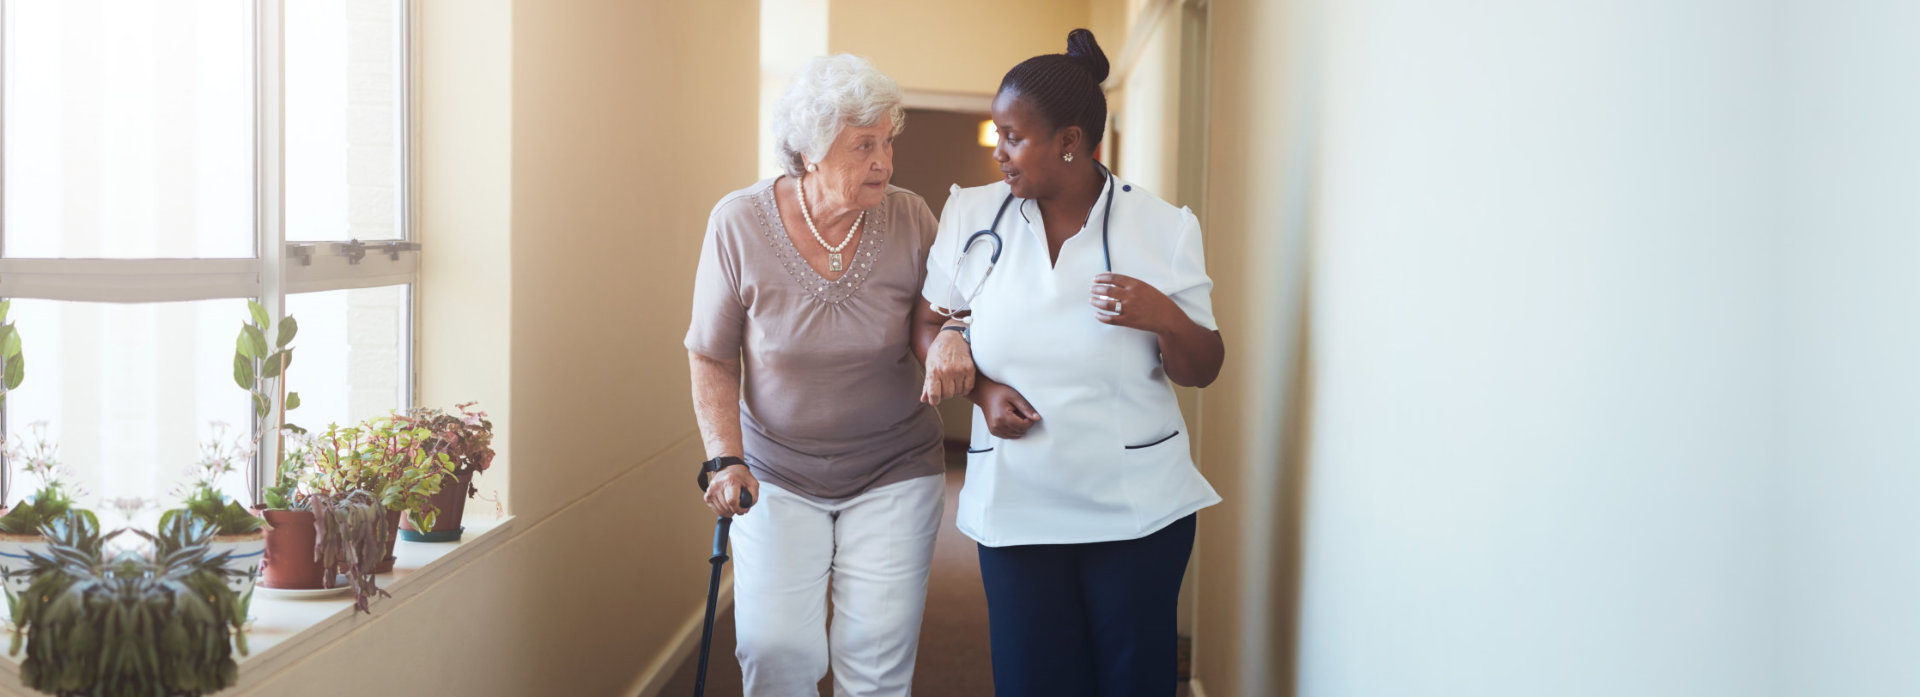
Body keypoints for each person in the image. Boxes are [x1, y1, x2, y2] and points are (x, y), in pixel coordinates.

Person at [913, 28, 1227, 697]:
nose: (999, 152)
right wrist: (982, 391)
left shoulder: (1163, 228)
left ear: (1070, 141)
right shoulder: (972, 213)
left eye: (1012, 137)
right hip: (1018, 502)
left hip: (1137, 509)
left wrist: (1164, 316)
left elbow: (1204, 365)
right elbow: (928, 320)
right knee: (1032, 679)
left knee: (1131, 680)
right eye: (997, 136)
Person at [686, 54, 947, 697]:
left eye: (887, 142)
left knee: (876, 658)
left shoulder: (911, 218)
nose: (883, 161)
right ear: (809, 153)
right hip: (776, 469)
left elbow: (947, 316)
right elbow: (712, 355)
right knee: (776, 650)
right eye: (863, 146)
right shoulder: (738, 222)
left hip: (895, 465)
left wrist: (952, 342)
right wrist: (725, 458)